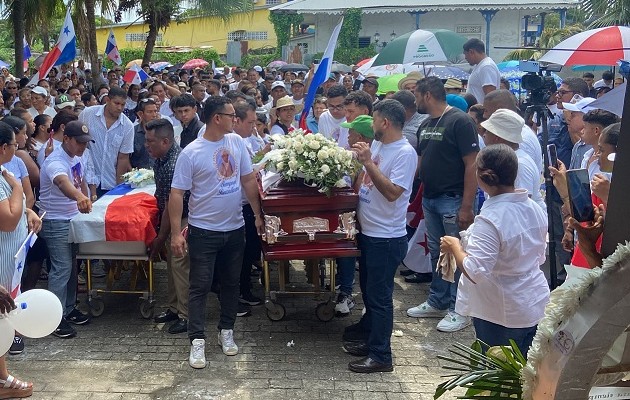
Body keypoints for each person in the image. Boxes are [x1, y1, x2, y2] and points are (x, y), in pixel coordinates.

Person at [168, 97, 263, 368]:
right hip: (203, 231)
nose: (236, 119)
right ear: (216, 118)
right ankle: (197, 340)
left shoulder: (237, 143)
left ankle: (227, 331)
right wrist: (176, 233)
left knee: (231, 283)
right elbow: (177, 193)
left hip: (235, 229)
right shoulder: (192, 152)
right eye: (231, 115)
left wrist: (257, 215)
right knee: (200, 285)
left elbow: (246, 179)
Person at [440, 144, 549, 356]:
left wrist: (454, 246)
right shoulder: (533, 207)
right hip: (532, 302)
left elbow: (475, 271)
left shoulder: (491, 219)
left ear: (481, 175)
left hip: (502, 312)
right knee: (523, 376)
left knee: (499, 381)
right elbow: (539, 254)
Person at [343, 100, 417, 373]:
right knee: (370, 294)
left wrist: (367, 163)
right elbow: (366, 180)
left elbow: (393, 192)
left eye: (373, 119)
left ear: (385, 122)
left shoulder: (405, 152)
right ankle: (371, 340)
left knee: (380, 298)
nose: (371, 124)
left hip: (386, 237)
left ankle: (381, 355)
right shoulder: (380, 146)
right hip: (369, 231)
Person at [406, 77, 479, 333]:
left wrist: (467, 206)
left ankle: (461, 309)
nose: (414, 101)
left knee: (459, 255)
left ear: (427, 95)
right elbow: (421, 160)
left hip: (454, 198)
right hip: (431, 198)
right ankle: (438, 300)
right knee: (438, 254)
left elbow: (472, 163)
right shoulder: (425, 124)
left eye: (416, 95)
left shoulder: (460, 121)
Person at [39, 121, 94, 338]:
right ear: (67, 139)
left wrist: (88, 197)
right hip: (55, 221)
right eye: (79, 142)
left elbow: (80, 181)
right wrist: (80, 197)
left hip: (72, 219)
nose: (82, 147)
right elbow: (63, 183)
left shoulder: (76, 158)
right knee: (61, 269)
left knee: (72, 267)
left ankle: (68, 308)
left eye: (85, 143)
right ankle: (54, 318)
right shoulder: (55, 161)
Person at [144, 119, 191, 335]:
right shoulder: (161, 159)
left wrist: (162, 237)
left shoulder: (174, 163)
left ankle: (187, 315)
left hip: (184, 217)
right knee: (173, 265)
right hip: (173, 214)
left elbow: (170, 205)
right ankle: (175, 308)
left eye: (150, 141)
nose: (146, 145)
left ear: (165, 141)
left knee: (180, 265)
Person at [480, 109, 546, 211]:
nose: (484, 134)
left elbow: (522, 207)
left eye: (488, 131)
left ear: (497, 137)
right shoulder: (511, 159)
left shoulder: (518, 164)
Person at [78, 86, 134, 195]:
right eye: (116, 103)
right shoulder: (87, 114)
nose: (119, 108)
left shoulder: (127, 126)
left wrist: (119, 188)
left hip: (111, 183)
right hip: (86, 181)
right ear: (107, 100)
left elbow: (123, 158)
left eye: (122, 104)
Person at [463, 38, 501, 104]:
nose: (465, 58)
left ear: (471, 52)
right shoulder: (481, 66)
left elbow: (490, 96)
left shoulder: (486, 66)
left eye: (465, 54)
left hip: (480, 112)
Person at [131, 98, 159, 169]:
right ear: (140, 114)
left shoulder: (163, 131)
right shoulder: (132, 132)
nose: (154, 115)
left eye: (155, 111)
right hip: (137, 176)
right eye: (150, 112)